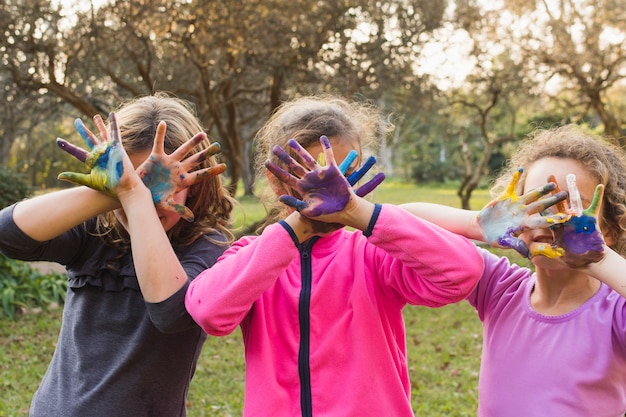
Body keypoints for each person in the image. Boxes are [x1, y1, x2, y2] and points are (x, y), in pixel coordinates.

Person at [184, 95, 485, 416]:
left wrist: (362, 213)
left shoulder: (372, 255)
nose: (332, 189)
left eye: (345, 175)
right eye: (312, 173)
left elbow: (464, 271)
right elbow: (208, 312)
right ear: (275, 179)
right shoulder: (254, 258)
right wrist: (298, 226)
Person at [0, 93, 235, 417]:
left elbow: (171, 313)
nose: (148, 199)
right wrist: (119, 192)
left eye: (163, 184)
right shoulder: (95, 232)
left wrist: (133, 197)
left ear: (196, 183)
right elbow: (8, 235)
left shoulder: (209, 246)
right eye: (134, 180)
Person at [401, 124, 626, 417]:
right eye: (536, 203)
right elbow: (401, 222)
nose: (549, 220)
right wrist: (476, 225)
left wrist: (599, 259)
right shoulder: (499, 286)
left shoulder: (615, 312)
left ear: (609, 230)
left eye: (571, 207)